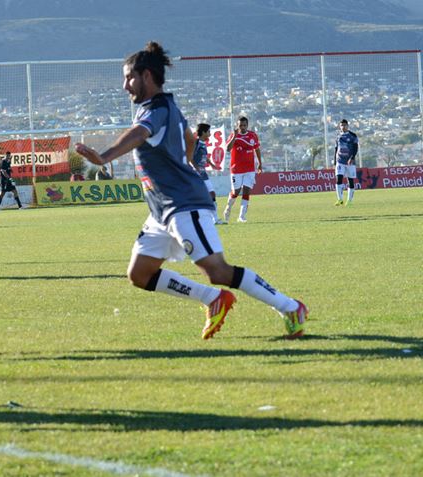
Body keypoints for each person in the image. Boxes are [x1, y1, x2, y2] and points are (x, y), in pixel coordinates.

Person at [74, 41, 306, 340]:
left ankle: (290, 307)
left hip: (184, 204)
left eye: (128, 77)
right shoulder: (167, 106)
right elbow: (188, 138)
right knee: (140, 274)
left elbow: (140, 134)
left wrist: (104, 157)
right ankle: (213, 299)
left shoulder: (155, 110)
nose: (124, 86)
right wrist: (182, 161)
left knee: (219, 271)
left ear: (146, 75)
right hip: (162, 210)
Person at [221, 116, 262, 223]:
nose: (242, 127)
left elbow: (257, 149)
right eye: (240, 125)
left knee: (246, 191)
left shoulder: (252, 135)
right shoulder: (234, 135)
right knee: (236, 192)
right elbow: (228, 149)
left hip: (249, 169)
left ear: (247, 125)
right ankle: (228, 208)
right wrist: (234, 136)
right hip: (236, 170)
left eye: (244, 125)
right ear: (237, 126)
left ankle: (241, 216)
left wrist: (259, 163)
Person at [192, 123, 223, 223]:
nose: (210, 133)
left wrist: (212, 165)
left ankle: (215, 219)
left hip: (203, 173)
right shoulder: (196, 143)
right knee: (197, 197)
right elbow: (190, 156)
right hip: (195, 174)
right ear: (204, 132)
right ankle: (196, 219)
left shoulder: (203, 143)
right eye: (208, 131)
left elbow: (205, 157)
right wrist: (195, 168)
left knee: (212, 194)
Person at [334, 119, 359, 206]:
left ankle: (349, 201)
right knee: (338, 179)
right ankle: (340, 199)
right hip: (340, 161)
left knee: (350, 181)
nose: (343, 127)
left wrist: (352, 157)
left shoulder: (353, 136)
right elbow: (336, 148)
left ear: (347, 126)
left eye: (344, 125)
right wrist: (335, 161)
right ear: (339, 126)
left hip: (350, 162)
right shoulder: (338, 136)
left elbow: (356, 148)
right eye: (341, 125)